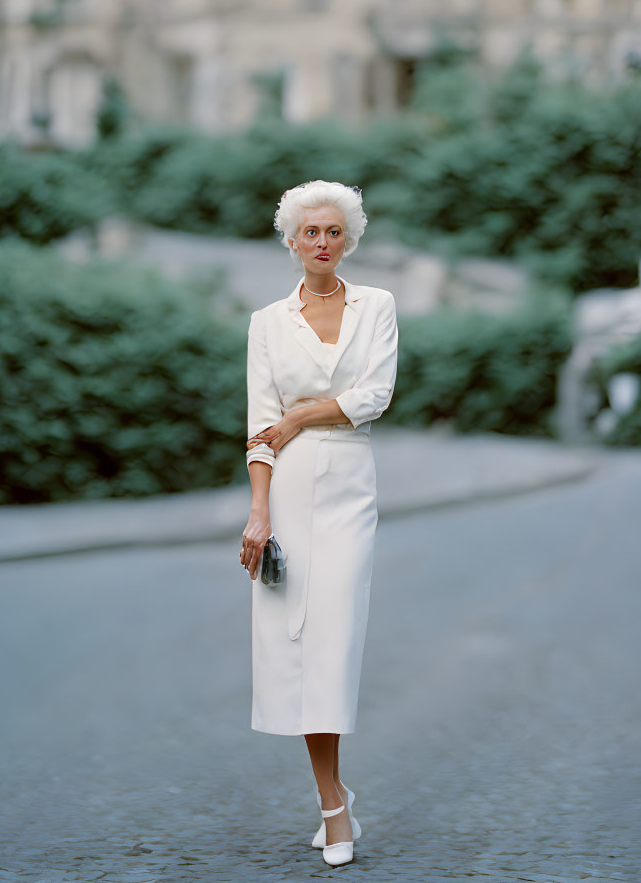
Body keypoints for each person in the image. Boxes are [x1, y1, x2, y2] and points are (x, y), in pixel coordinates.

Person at [240, 180, 398, 867]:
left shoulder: (378, 306)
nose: (323, 242)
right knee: (295, 646)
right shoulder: (266, 321)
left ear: (348, 238)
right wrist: (257, 510)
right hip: (289, 481)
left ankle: (334, 805)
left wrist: (303, 411)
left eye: (334, 231)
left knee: (333, 640)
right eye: (311, 232)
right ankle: (332, 801)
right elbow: (258, 425)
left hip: (349, 485)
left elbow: (375, 394)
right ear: (291, 241)